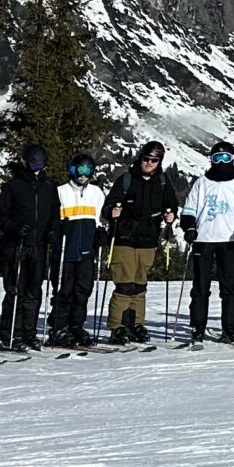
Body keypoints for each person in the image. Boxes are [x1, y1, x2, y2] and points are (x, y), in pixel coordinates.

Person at [100, 140, 181, 343]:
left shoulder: (162, 181)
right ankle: (117, 327)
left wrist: (171, 214)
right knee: (124, 285)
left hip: (148, 241)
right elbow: (108, 205)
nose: (149, 163)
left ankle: (135, 324)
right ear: (140, 158)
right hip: (124, 239)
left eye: (154, 160)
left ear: (159, 162)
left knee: (139, 286)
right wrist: (112, 212)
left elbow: (171, 203)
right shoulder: (126, 179)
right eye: (146, 159)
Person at [179, 139, 234, 345]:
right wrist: (190, 228)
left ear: (232, 159)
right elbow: (188, 210)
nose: (221, 162)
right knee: (200, 287)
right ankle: (197, 328)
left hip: (228, 240)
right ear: (211, 159)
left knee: (229, 287)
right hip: (203, 240)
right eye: (217, 158)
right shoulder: (202, 182)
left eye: (226, 157)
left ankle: (229, 328)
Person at [0, 147, 57, 354]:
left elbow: (55, 212)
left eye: (41, 164)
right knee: (15, 291)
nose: (37, 168)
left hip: (39, 245)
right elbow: (1, 215)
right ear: (25, 163)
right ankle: (11, 335)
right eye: (34, 164)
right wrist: (14, 228)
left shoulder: (49, 186)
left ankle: (29, 333)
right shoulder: (13, 186)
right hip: (17, 245)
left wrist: (53, 230)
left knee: (33, 292)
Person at [49, 153, 105, 349]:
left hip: (87, 250)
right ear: (72, 170)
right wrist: (57, 228)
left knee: (83, 291)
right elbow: (52, 220)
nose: (83, 175)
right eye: (80, 170)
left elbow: (99, 218)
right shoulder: (60, 192)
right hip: (66, 250)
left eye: (87, 170)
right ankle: (59, 328)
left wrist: (100, 232)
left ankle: (76, 326)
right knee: (63, 291)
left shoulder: (96, 193)